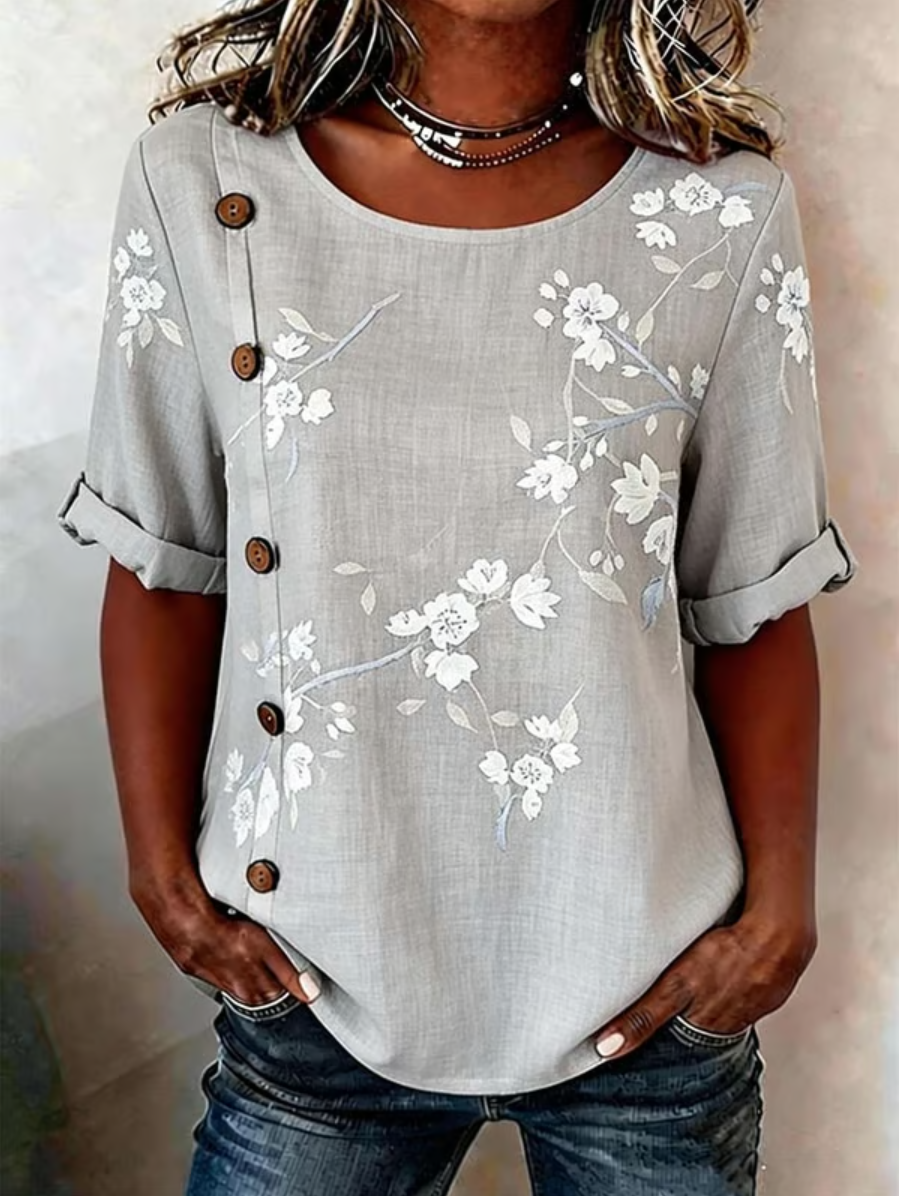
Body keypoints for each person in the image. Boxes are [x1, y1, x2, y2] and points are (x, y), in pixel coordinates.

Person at [57, 0, 859, 1192]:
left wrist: (777, 917)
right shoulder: (202, 182)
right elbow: (163, 562)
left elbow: (751, 598)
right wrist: (159, 873)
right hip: (311, 979)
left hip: (645, 980)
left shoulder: (717, 211)